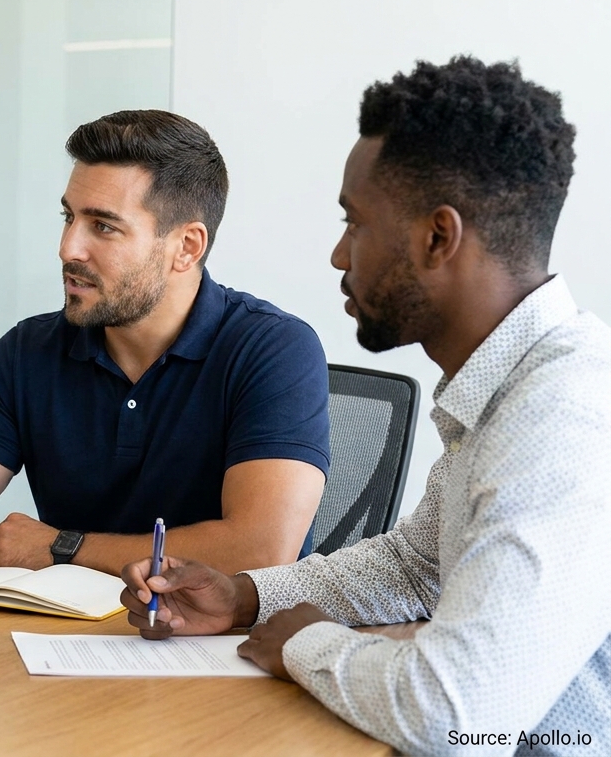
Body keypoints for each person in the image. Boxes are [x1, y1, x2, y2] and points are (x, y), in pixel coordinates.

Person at [121, 57, 610, 755]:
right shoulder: (510, 389)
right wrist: (244, 597)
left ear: (438, 237)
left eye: (355, 224)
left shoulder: (563, 417)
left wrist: (305, 644)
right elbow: (415, 568)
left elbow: (456, 716)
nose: (336, 254)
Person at [0, 110, 331, 576]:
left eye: (103, 226)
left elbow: (262, 549)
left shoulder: (274, 349)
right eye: (69, 217)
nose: (68, 248)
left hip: (216, 650)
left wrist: (62, 548)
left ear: (186, 246)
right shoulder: (28, 352)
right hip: (62, 646)